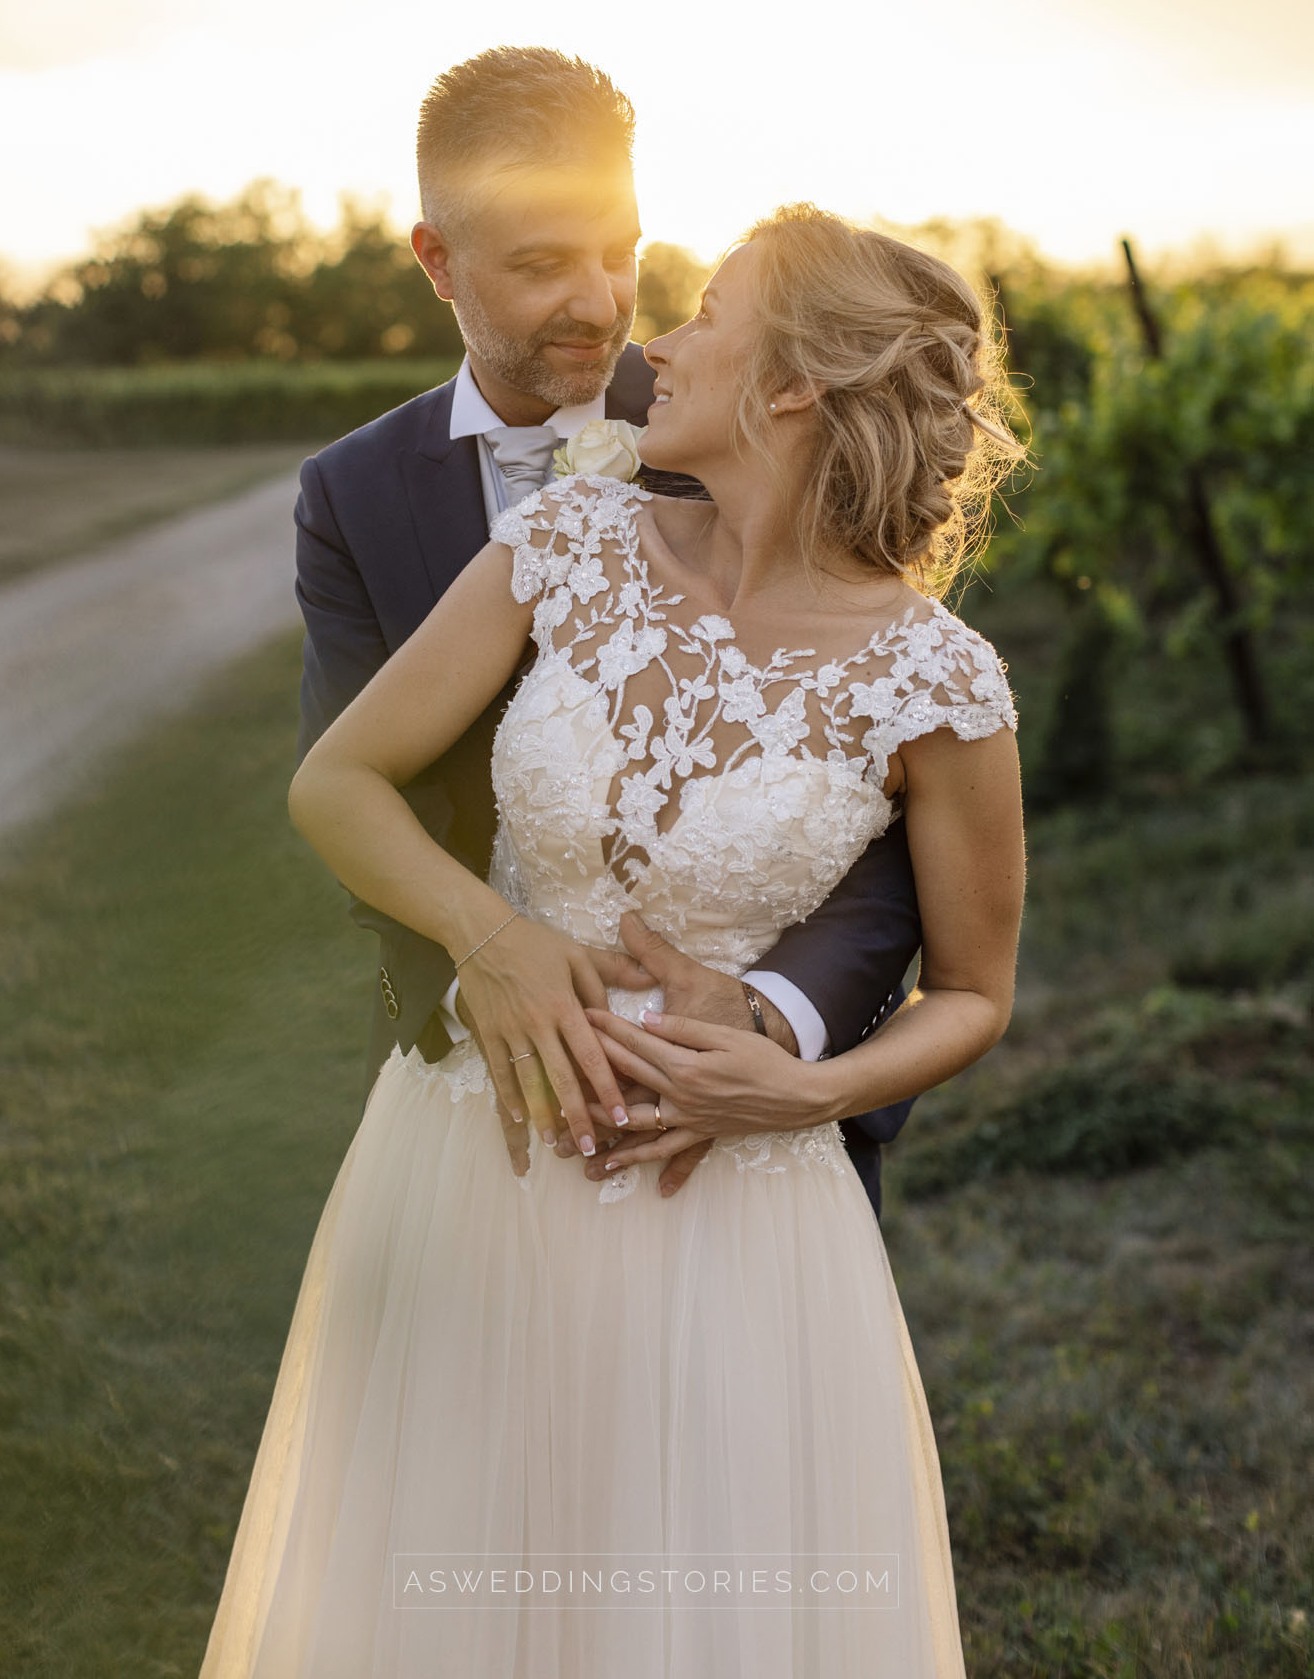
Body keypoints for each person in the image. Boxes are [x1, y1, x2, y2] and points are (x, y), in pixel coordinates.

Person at [198, 201, 1026, 1677]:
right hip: (472, 1154)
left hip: (736, 1216)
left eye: (709, 314)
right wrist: (486, 936)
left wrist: (810, 1092)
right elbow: (338, 781)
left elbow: (970, 990)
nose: (659, 341)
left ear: (790, 387)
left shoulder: (935, 680)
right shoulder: (565, 544)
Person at [293, 46, 921, 1216]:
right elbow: (362, 785)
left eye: (620, 250)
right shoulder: (353, 493)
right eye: (540, 264)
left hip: (741, 1105)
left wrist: (771, 1020)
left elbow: (889, 780)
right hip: (494, 1092)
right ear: (437, 262)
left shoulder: (747, 416)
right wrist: (478, 956)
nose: (599, 301)